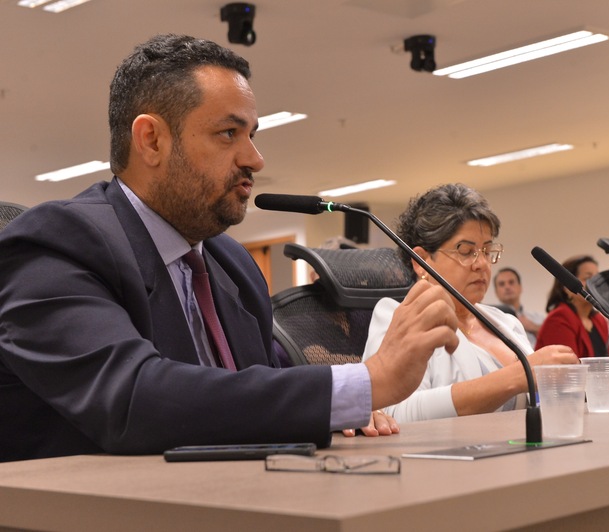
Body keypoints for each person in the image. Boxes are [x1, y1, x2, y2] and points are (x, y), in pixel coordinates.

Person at [0, 34, 461, 462]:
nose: (255, 159)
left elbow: (252, 392)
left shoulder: (231, 262)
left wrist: (333, 410)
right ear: (152, 140)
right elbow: (133, 399)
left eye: (252, 135)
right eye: (228, 134)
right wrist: (362, 383)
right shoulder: (54, 244)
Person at [361, 183, 577, 422]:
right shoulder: (397, 316)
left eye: (487, 251)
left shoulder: (507, 323)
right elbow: (393, 412)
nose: (482, 264)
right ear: (421, 260)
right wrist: (517, 377)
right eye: (466, 251)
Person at [535, 255, 609, 358]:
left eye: (597, 278)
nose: (596, 284)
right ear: (567, 287)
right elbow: (567, 365)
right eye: (588, 278)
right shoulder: (560, 318)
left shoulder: (600, 320)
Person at [493, 267, 545, 345]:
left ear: (520, 287)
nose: (507, 287)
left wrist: (534, 327)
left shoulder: (539, 318)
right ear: (496, 292)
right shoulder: (492, 320)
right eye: (502, 284)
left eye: (511, 282)